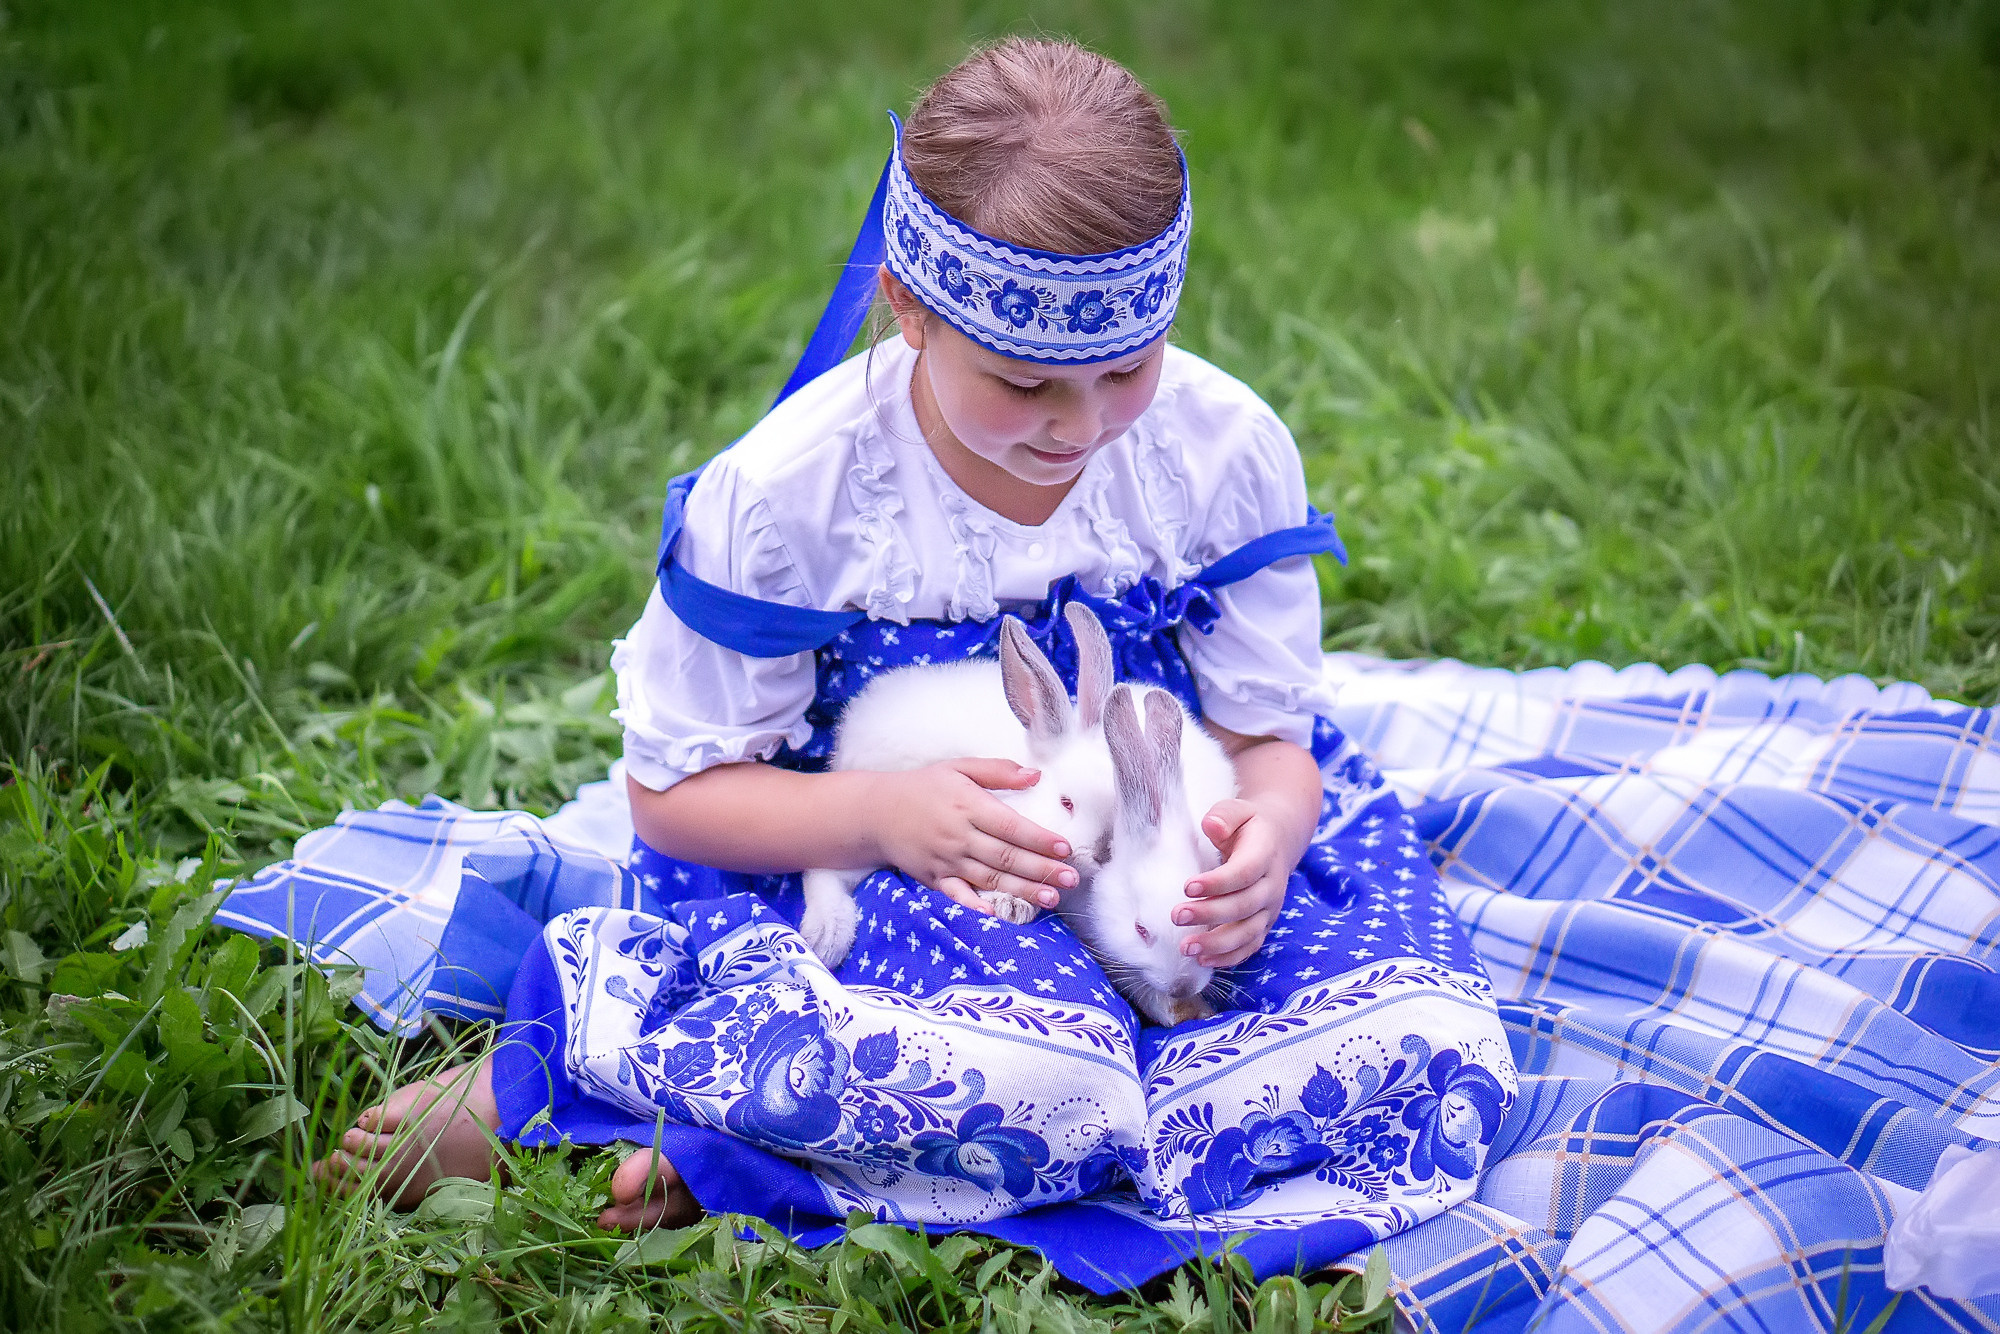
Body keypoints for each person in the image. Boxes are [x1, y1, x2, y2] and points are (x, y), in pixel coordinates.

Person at [315, 36, 1511, 1285]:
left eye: (1123, 368)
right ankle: (643, 1089)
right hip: (894, 871)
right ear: (908, 306)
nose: (1082, 426)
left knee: (1421, 1046)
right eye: (1024, 381)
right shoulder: (793, 494)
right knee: (1046, 1071)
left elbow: (1271, 739)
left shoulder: (1218, 449)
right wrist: (889, 815)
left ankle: (803, 1128)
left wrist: (1262, 838)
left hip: (1161, 874)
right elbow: (672, 801)